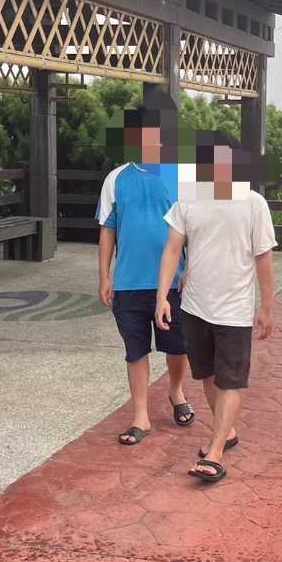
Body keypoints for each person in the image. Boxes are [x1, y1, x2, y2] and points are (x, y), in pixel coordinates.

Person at [155, 136, 277, 484]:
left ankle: (215, 451)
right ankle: (228, 432)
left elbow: (264, 258)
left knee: (230, 380)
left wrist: (266, 306)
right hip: (194, 306)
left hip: (235, 310)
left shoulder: (254, 203)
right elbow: (172, 250)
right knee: (207, 376)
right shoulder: (188, 201)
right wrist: (162, 296)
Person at [97, 108, 192, 446]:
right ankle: (140, 416)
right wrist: (104, 277)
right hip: (128, 283)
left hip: (174, 282)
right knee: (135, 350)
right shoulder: (116, 178)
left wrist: (190, 270)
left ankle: (177, 393)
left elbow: (194, 227)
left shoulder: (181, 177)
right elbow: (108, 230)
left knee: (177, 347)